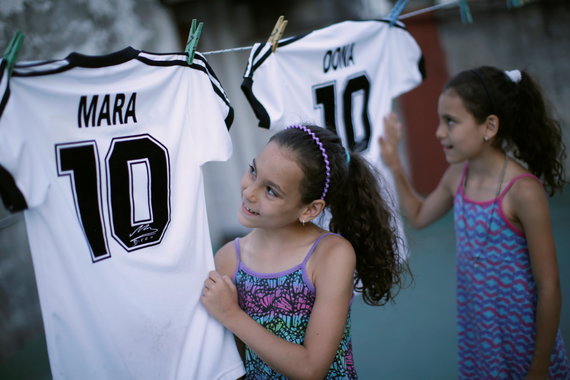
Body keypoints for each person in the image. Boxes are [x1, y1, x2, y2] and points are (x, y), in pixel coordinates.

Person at [379, 66, 569, 379]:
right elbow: (418, 215)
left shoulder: (523, 191)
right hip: (480, 337)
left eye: (450, 121)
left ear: (489, 126)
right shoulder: (457, 176)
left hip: (525, 342)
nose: (439, 132)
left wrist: (538, 367)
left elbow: (549, 288)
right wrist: (395, 164)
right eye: (441, 120)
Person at [201, 124, 408, 379]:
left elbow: (311, 369)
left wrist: (231, 315)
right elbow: (239, 362)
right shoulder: (228, 258)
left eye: (271, 191)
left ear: (310, 210)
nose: (249, 192)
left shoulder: (330, 255)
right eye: (253, 171)